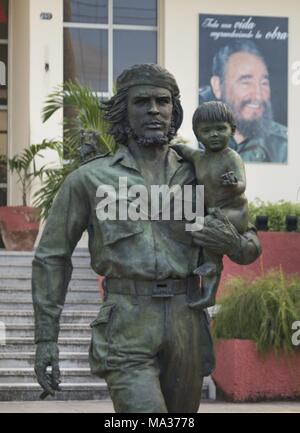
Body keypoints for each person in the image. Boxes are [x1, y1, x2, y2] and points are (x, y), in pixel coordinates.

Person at [32, 64, 261, 413]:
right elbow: (51, 257)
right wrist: (46, 338)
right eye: (142, 101)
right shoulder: (89, 180)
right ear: (124, 110)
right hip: (126, 322)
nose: (154, 109)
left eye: (163, 101)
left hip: (188, 319)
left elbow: (249, 247)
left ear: (174, 111)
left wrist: (229, 242)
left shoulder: (202, 172)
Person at [172, 101, 248, 309]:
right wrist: (166, 145)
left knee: (206, 231)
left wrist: (234, 184)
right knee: (204, 235)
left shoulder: (232, 157)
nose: (214, 134)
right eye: (206, 131)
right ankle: (208, 290)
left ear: (231, 130)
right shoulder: (198, 157)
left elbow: (242, 184)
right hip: (213, 215)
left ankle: (209, 283)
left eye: (220, 129)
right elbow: (180, 149)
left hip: (234, 213)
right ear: (197, 134)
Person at [199, 40, 287, 163]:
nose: (258, 95)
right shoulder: (194, 141)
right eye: (246, 82)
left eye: (264, 83)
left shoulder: (284, 147)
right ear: (217, 86)